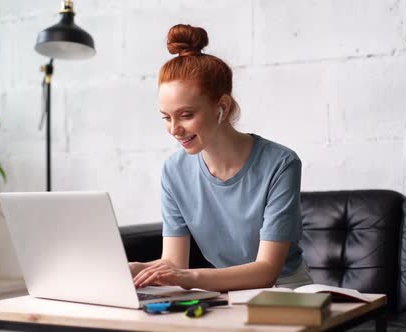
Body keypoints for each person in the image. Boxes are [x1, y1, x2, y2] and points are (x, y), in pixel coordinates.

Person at [129, 24, 312, 292]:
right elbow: (174, 262)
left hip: (285, 291)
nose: (174, 129)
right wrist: (136, 269)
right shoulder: (174, 171)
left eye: (186, 115)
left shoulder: (280, 164)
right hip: (223, 293)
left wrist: (188, 278)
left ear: (222, 107)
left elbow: (266, 271)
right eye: (166, 117)